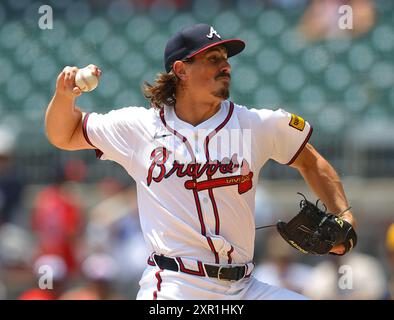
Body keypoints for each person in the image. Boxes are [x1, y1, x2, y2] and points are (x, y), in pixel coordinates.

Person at [45, 23, 356, 300]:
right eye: (213, 59)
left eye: (225, 59)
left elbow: (311, 161)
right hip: (175, 285)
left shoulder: (256, 125)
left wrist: (345, 217)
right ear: (181, 70)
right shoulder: (139, 128)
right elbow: (64, 135)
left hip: (244, 286)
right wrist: (64, 96)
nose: (226, 66)